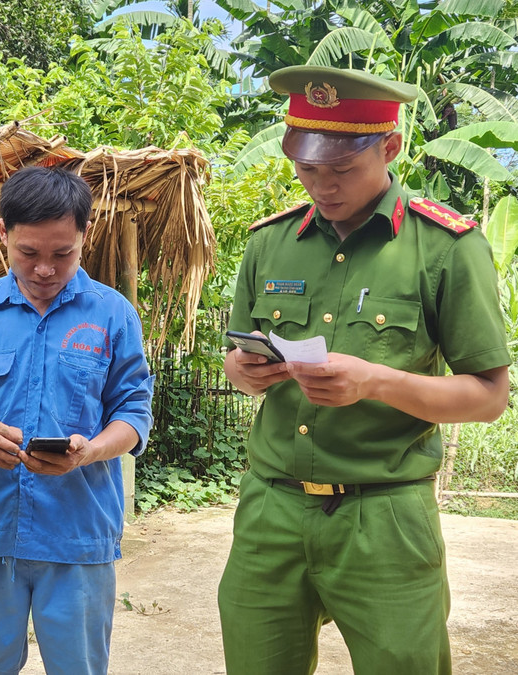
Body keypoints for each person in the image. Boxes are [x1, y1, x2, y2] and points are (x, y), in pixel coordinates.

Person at [218, 65, 511, 675]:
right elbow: (235, 358)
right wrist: (241, 372)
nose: (321, 185)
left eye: (342, 169)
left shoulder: (446, 248)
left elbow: (488, 397)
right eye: (306, 167)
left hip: (385, 517)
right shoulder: (269, 245)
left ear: (391, 145)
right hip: (271, 507)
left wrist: (374, 381)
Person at [0, 166, 154, 674]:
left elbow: (134, 413)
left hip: (77, 534)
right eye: (28, 253)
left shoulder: (113, 315)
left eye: (62, 254)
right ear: (4, 234)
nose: (45, 269)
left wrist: (91, 451)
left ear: (84, 236)